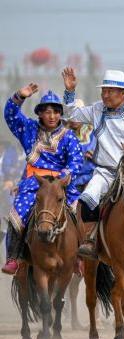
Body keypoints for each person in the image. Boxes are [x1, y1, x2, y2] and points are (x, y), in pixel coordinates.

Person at [62, 67, 124, 259]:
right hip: (106, 172)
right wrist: (69, 91)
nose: (105, 95)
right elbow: (71, 116)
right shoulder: (97, 109)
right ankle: (90, 240)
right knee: (86, 200)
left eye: (110, 91)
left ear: (122, 93)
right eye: (103, 91)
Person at [2, 85, 83, 274]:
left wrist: (64, 177)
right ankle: (13, 257)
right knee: (18, 213)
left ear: (60, 114)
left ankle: (79, 257)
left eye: (56, 111)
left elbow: (76, 161)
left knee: (80, 211)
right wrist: (19, 96)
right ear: (40, 114)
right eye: (47, 112)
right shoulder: (28, 129)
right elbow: (10, 115)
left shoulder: (69, 136)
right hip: (34, 184)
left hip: (61, 184)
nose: (52, 116)